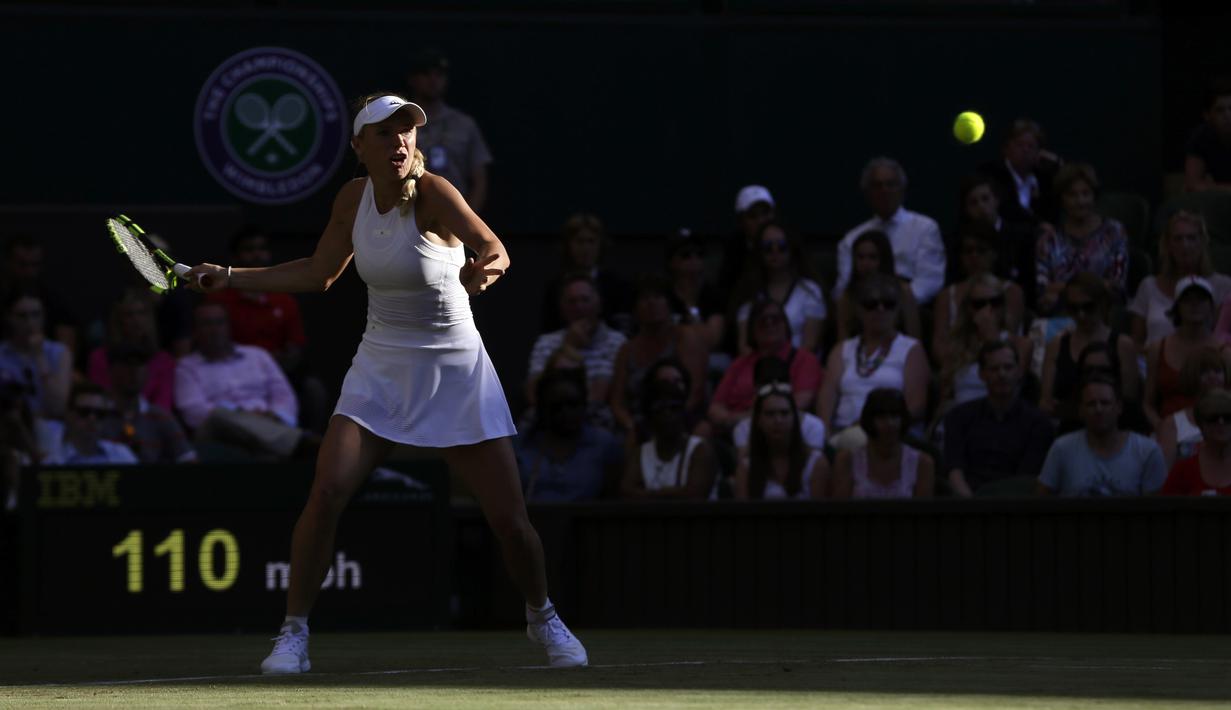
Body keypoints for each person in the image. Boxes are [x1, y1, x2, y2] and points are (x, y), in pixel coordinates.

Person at [184, 93, 588, 672]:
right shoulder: (351, 199)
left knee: (509, 521)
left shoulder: (435, 193)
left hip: (455, 369)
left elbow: (495, 248)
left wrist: (485, 272)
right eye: (385, 132)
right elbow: (318, 273)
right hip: (379, 367)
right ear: (359, 147)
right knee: (325, 495)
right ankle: (293, 635)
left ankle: (542, 616)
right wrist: (228, 277)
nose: (400, 141)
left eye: (408, 131)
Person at [174, 302, 314, 461]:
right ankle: (302, 442)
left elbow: (284, 395)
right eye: (207, 324)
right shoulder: (186, 367)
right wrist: (245, 416)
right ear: (195, 331)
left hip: (268, 421)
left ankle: (282, 444)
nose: (214, 330)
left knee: (266, 452)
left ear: (229, 326)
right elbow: (194, 411)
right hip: (217, 429)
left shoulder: (257, 356)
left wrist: (275, 416)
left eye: (219, 322)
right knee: (219, 415)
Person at [818, 273, 929, 449]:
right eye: (871, 304)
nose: (880, 310)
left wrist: (874, 423)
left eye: (888, 304)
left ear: (897, 310)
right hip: (842, 432)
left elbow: (916, 406)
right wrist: (823, 432)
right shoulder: (842, 349)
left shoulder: (911, 348)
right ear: (859, 310)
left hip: (891, 434)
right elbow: (827, 398)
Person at [943, 341, 1055, 497]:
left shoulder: (1039, 423)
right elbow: (954, 470)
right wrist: (971, 506)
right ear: (981, 374)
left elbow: (1027, 479)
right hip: (968, 506)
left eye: (1008, 367)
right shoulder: (958, 418)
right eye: (994, 369)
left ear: (1019, 371)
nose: (1002, 374)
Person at [834, 158, 946, 305]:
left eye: (891, 184)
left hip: (911, 308)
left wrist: (894, 305)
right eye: (877, 185)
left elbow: (930, 281)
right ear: (867, 192)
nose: (884, 190)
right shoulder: (852, 239)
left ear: (902, 189)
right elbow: (843, 287)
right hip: (864, 310)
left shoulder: (925, 228)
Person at [524, 272, 625, 430]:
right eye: (572, 301)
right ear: (562, 307)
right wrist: (569, 346)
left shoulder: (617, 342)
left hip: (597, 422)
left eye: (585, 300)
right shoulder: (546, 343)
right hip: (552, 417)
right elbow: (533, 394)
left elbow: (600, 396)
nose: (579, 307)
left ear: (598, 303)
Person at [609, 275, 707, 438]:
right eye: (645, 298)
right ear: (634, 309)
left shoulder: (685, 337)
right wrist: (630, 424)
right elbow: (617, 403)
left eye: (658, 297)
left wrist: (668, 421)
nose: (651, 303)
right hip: (638, 425)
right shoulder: (626, 350)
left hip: (681, 420)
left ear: (668, 303)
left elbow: (695, 392)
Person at [707, 299, 823, 437]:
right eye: (763, 321)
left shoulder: (804, 359)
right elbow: (715, 406)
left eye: (775, 319)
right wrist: (732, 420)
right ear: (752, 330)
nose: (769, 324)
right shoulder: (740, 364)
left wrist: (748, 419)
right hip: (733, 427)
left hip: (780, 426)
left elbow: (801, 402)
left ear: (785, 325)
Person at [1037, 374, 1166, 497]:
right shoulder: (1062, 449)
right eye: (1091, 404)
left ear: (1119, 407)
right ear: (1081, 410)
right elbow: (1041, 502)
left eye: (1105, 403)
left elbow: (1156, 509)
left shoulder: (1147, 452)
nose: (1098, 409)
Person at [514, 367, 622, 502]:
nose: (566, 413)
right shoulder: (521, 444)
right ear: (542, 408)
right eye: (557, 406)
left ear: (584, 404)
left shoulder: (604, 445)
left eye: (573, 404)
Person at [1040, 273, 1138, 421]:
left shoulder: (1123, 345)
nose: (1081, 315)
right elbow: (1045, 401)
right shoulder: (1056, 345)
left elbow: (1129, 401)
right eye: (1074, 308)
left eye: (1088, 307)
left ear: (1102, 304)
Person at [1034, 163, 1129, 313]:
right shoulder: (1049, 239)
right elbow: (1042, 289)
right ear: (1062, 199)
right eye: (1072, 195)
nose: (1080, 201)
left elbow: (1116, 286)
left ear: (1094, 195)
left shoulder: (1114, 232)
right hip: (1061, 314)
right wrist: (1098, 285)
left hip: (1103, 314)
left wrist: (1061, 288)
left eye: (1086, 193)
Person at [405, 49, 492, 211]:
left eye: (439, 74)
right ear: (412, 79)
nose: (433, 80)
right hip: (409, 215)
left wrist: (467, 220)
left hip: (454, 216)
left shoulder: (464, 124)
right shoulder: (400, 124)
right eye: (426, 74)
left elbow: (479, 179)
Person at [1132, 210, 1231, 351]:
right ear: (1168, 245)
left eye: (1191, 238)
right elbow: (1137, 341)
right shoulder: (1148, 286)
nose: (1185, 245)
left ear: (1202, 242)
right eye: (1178, 239)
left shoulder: (1224, 286)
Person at [1143, 275, 1231, 430]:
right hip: (1169, 430)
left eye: (1201, 299)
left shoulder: (1225, 353)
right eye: (1187, 299)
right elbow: (1148, 403)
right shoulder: (1157, 349)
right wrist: (1162, 428)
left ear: (1211, 307)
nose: (1194, 304)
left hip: (1216, 431)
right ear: (1177, 307)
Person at [937, 273, 1032, 407]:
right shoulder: (957, 344)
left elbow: (1012, 389)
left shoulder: (1021, 344)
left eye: (995, 303)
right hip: (960, 417)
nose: (988, 310)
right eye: (979, 304)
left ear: (1003, 306)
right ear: (968, 309)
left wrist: (991, 337)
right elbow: (945, 395)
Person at [932, 223, 1025, 358]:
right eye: (968, 251)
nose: (974, 256)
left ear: (994, 253)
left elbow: (1011, 334)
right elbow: (939, 344)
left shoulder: (1012, 291)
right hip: (958, 365)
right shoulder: (946, 296)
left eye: (981, 250)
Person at [621, 368, 716, 500]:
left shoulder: (700, 449)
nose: (668, 415)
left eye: (674, 408)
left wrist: (648, 494)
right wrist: (673, 493)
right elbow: (627, 493)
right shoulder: (640, 453)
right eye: (661, 410)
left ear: (683, 413)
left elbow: (694, 496)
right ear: (650, 417)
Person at [733, 221, 826, 354]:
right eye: (768, 247)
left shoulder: (810, 291)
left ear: (792, 248)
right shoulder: (749, 292)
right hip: (760, 369)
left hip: (799, 368)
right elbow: (744, 347)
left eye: (782, 246)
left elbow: (810, 344)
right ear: (759, 252)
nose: (775, 251)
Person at [100, 342, 197, 465]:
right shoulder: (94, 415)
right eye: (127, 364)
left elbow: (189, 460)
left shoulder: (161, 418)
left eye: (140, 364)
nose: (134, 371)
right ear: (110, 370)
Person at [830, 388, 934, 499]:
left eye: (895, 416)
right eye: (881, 417)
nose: (890, 423)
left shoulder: (922, 463)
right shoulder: (847, 460)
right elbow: (841, 511)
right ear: (869, 420)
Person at [539, 213, 633, 334]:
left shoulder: (616, 285)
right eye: (579, 241)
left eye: (591, 241)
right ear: (568, 245)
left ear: (600, 245)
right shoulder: (555, 287)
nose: (585, 248)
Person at [733, 384, 829, 500]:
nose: (778, 420)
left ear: (795, 418)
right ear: (758, 421)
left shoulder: (815, 463)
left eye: (784, 413)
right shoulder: (746, 467)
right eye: (770, 414)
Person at [87, 289, 177, 411]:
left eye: (141, 313)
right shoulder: (100, 357)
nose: (136, 320)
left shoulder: (164, 360)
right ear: (119, 320)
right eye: (129, 314)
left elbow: (163, 405)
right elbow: (100, 398)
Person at [954, 174, 1037, 305]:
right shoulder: (959, 241)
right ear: (966, 210)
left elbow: (1029, 283)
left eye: (985, 199)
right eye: (973, 202)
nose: (981, 206)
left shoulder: (1021, 236)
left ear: (996, 200)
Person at [834, 230, 921, 344]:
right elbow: (843, 342)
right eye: (860, 257)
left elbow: (914, 337)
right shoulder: (847, 297)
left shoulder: (903, 292)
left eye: (872, 257)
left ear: (884, 259)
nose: (866, 263)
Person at [1155, 347, 1230, 470]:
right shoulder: (1172, 424)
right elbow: (1164, 473)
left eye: (1217, 371)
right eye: (1204, 371)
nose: (1212, 376)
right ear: (1191, 376)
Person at [977, 118, 1062, 225]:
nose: (1025, 150)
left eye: (1031, 146)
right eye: (1020, 145)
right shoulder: (992, 175)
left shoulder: (1044, 181)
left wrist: (1058, 164)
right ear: (1007, 148)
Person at [0, 292, 70, 421]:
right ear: (9, 317)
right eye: (22, 316)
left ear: (44, 316)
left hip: (49, 429)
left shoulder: (59, 352)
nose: (30, 322)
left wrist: (40, 356)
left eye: (35, 314)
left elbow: (58, 407)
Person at [42, 383, 138, 465]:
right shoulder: (52, 459)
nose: (92, 419)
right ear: (68, 415)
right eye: (84, 412)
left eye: (100, 413)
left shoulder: (122, 455)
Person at [1160, 388, 1231, 495]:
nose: (1221, 422)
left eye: (1228, 417)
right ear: (1200, 424)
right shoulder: (1183, 471)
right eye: (1213, 417)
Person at [664, 229, 724, 352]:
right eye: (686, 255)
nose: (694, 259)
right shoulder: (663, 296)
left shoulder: (713, 295)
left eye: (699, 254)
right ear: (671, 262)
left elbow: (713, 340)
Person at [717, 185, 776, 300]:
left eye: (765, 213)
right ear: (741, 221)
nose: (761, 221)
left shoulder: (792, 246)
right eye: (753, 216)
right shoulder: (734, 253)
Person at [1184, 78, 1231, 192]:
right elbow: (1193, 184)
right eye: (1220, 110)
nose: (1228, 115)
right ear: (1207, 115)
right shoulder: (1201, 137)